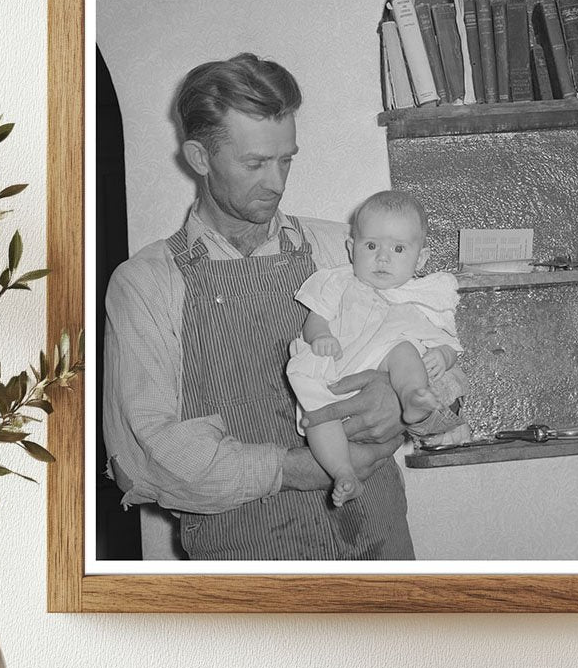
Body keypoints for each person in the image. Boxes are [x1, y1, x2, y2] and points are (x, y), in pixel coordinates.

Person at [103, 53, 419, 561]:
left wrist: (402, 402)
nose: (277, 182)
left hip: (381, 553)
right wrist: (290, 469)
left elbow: (444, 362)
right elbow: (142, 460)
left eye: (286, 159)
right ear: (200, 158)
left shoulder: (346, 250)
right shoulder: (145, 284)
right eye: (254, 164)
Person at [286, 190, 465, 506]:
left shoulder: (422, 298)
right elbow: (315, 320)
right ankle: (343, 472)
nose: (383, 258)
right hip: (337, 365)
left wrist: (442, 356)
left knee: (404, 351)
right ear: (350, 248)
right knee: (318, 414)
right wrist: (321, 336)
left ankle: (412, 398)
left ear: (420, 259)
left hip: (383, 362)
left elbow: (449, 344)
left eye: (398, 249)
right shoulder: (338, 282)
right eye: (371, 246)